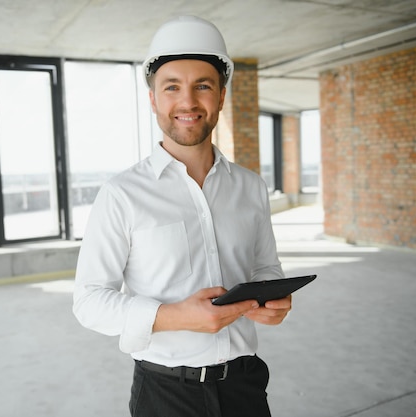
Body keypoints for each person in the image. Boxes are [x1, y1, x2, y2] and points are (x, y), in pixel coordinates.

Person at [73, 15, 291, 417]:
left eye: (203, 86)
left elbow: (266, 269)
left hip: (245, 387)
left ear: (221, 96)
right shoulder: (122, 194)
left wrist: (272, 298)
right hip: (165, 395)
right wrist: (174, 317)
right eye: (172, 87)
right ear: (154, 99)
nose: (188, 101)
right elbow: (89, 301)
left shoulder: (250, 187)